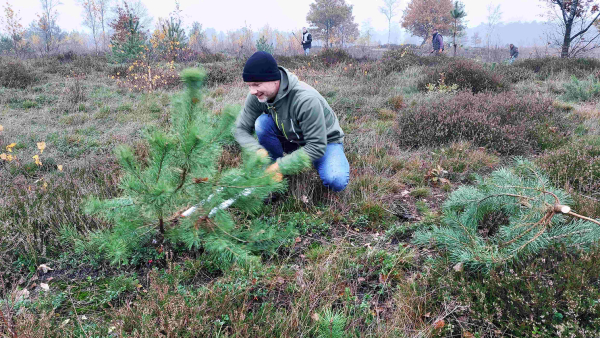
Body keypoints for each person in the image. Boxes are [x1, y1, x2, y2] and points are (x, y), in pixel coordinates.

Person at [234, 51, 350, 192]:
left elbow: (316, 145)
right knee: (262, 123)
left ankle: (283, 167)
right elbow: (240, 129)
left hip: (324, 142)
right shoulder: (258, 96)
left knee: (336, 180)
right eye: (249, 85)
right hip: (291, 136)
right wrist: (257, 150)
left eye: (256, 84)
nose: (252, 91)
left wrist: (281, 166)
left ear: (274, 80)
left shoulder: (305, 99)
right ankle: (271, 172)